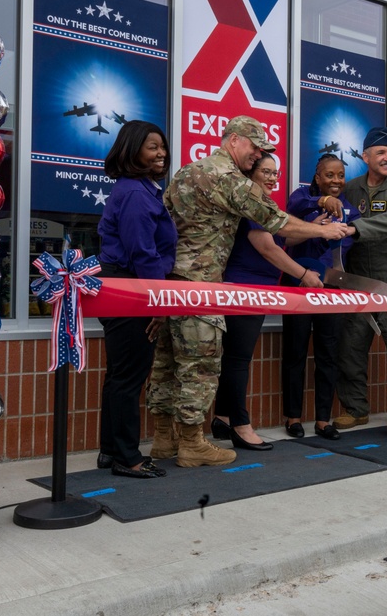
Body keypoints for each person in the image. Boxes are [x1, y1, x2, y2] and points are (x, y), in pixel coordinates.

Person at [146, 115, 348, 468]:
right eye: (255, 148)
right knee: (199, 366)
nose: (258, 156)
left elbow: (165, 226)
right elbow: (273, 219)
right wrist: (323, 233)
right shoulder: (228, 178)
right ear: (234, 140)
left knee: (167, 364)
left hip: (172, 283)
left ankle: (165, 440)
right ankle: (192, 444)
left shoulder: (185, 172)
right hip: (202, 285)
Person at [211, 154, 327, 451]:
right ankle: (240, 425)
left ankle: (223, 417)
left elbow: (281, 243)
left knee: (235, 357)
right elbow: (265, 248)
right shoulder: (251, 202)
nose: (274, 178)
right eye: (267, 171)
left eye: (277, 173)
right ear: (251, 172)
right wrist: (303, 274)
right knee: (238, 360)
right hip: (245, 288)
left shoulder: (264, 204)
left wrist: (313, 226)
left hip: (259, 289)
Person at [95, 121, 175, 478]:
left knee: (120, 375)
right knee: (129, 377)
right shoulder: (136, 194)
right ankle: (128, 458)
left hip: (126, 287)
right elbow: (143, 253)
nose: (161, 154)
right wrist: (158, 303)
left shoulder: (139, 190)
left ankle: (111, 451)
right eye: (152, 147)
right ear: (132, 151)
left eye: (162, 147)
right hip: (132, 289)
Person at [332, 127, 387, 442]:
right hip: (359, 281)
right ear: (366, 157)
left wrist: (353, 228)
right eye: (381, 153)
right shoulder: (352, 188)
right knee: (351, 347)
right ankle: (356, 409)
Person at [280, 154, 361, 440]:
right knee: (295, 353)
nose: (336, 181)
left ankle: (324, 419)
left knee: (328, 354)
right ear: (317, 177)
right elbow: (291, 209)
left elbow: (342, 248)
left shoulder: (350, 212)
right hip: (297, 286)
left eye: (340, 175)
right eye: (329, 175)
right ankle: (293, 417)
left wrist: (321, 272)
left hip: (330, 290)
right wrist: (321, 202)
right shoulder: (302, 197)